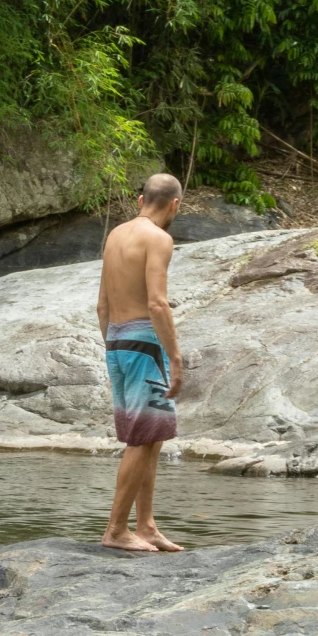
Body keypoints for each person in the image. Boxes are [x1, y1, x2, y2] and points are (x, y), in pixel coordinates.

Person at [96, 174, 187, 553]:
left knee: (152, 438)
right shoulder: (159, 239)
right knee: (141, 438)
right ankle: (116, 530)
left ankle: (146, 525)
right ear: (174, 205)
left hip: (117, 340)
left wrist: (115, 346)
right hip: (144, 345)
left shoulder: (116, 234)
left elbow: (101, 304)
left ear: (139, 200)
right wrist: (176, 359)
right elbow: (157, 303)